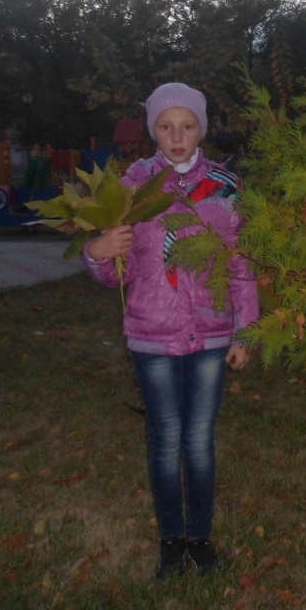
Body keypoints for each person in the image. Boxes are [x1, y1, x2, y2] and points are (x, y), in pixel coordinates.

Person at [83, 82, 259, 579]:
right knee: (165, 440)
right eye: (166, 126)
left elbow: (240, 263)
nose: (176, 136)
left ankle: (200, 538)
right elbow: (114, 269)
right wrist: (97, 252)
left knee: (199, 440)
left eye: (187, 126)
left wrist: (246, 331)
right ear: (152, 130)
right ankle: (170, 540)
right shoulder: (131, 187)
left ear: (201, 128)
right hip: (152, 333)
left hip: (210, 334)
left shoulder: (224, 187)